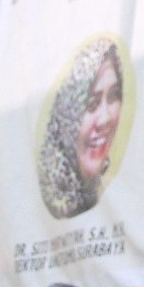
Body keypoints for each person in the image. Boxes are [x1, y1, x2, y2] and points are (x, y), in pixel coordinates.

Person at [37, 38, 124, 218]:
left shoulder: (97, 191)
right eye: (91, 104)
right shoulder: (54, 203)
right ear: (67, 115)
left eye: (114, 96)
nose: (105, 119)